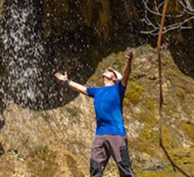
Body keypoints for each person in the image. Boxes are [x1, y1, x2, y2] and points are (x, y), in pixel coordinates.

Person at [54, 49, 134, 177]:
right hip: (100, 134)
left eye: (110, 71)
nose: (106, 71)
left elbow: (126, 76)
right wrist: (66, 81)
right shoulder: (97, 91)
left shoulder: (118, 89)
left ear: (114, 77)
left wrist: (129, 63)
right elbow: (81, 88)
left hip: (116, 133)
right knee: (95, 168)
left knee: (124, 168)